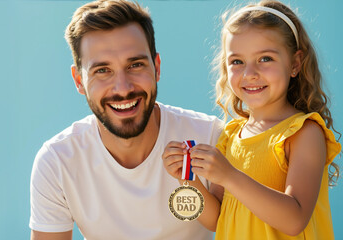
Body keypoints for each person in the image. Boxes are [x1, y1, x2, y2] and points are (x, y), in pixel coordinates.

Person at [29, 0, 223, 239]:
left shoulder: (211, 137)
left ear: (157, 67)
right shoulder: (57, 161)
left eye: (135, 65)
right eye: (102, 70)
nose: (122, 88)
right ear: (79, 80)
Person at [163, 0, 341, 239]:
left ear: (295, 64)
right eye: (237, 62)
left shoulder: (303, 132)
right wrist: (187, 180)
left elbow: (295, 219)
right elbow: (216, 219)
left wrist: (230, 176)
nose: (249, 74)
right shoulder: (230, 136)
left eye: (265, 58)